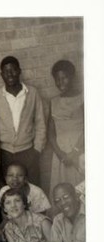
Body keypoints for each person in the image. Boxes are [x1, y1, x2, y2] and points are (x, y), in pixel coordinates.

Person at [0, 56, 46, 186]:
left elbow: (40, 122)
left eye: (13, 70)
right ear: (1, 75)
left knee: (32, 187)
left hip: (28, 151)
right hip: (5, 153)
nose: (10, 74)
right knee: (9, 192)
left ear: (19, 71)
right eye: (6, 71)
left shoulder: (32, 93)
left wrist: (37, 150)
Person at [48, 60, 85, 194]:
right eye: (57, 79)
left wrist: (75, 152)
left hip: (80, 151)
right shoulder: (53, 102)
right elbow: (51, 132)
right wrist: (59, 153)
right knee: (63, 190)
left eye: (64, 78)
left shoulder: (83, 98)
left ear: (72, 77)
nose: (60, 82)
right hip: (61, 155)